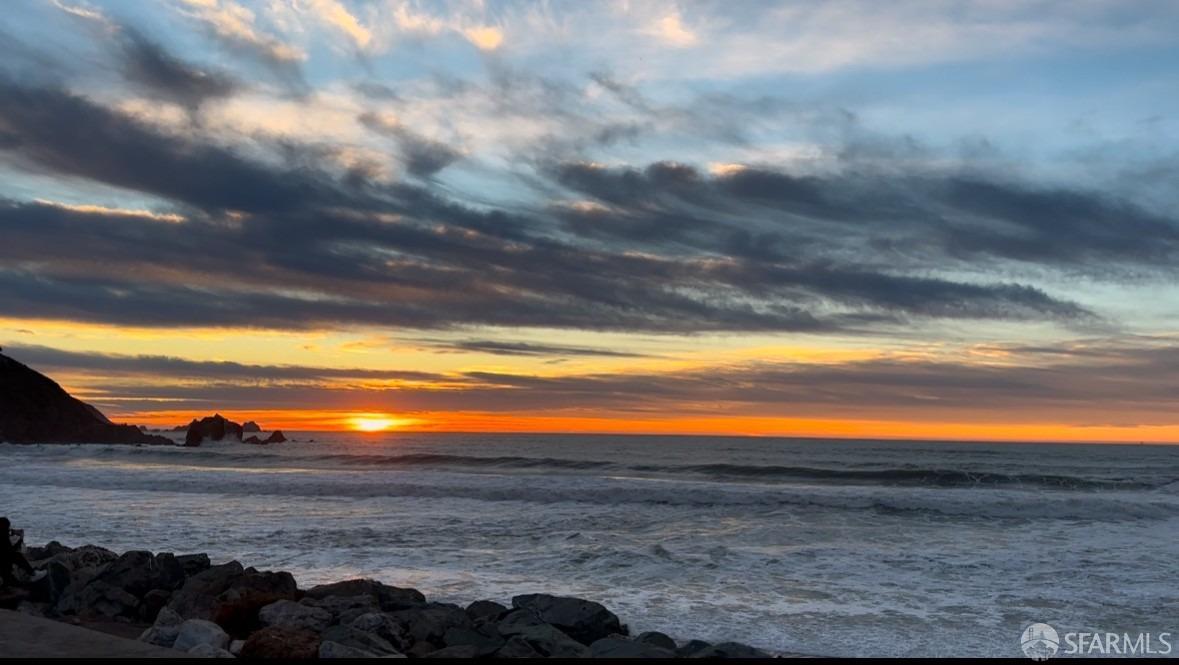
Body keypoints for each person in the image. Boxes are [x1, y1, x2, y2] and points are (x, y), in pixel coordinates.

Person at [0, 517, 35, 587]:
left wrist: (13, 532)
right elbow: (10, 551)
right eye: (8, 527)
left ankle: (7, 583)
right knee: (16, 556)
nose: (9, 529)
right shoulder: (3, 538)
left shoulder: (2, 534)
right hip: (3, 564)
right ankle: (32, 573)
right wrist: (20, 539)